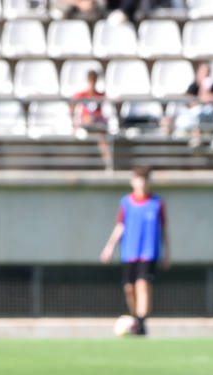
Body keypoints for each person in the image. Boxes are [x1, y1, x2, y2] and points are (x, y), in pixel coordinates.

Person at [99, 166, 168, 337]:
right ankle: (135, 318)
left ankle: (141, 322)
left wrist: (167, 252)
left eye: (145, 180)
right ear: (133, 182)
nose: (141, 183)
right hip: (130, 251)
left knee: (143, 285)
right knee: (129, 288)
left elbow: (164, 229)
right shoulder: (126, 203)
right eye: (138, 179)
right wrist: (109, 247)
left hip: (149, 252)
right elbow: (120, 227)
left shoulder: (157, 203)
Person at [71, 68, 112, 169]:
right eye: (91, 81)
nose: (92, 83)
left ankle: (108, 163)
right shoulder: (83, 95)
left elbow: (111, 99)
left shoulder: (100, 94)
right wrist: (74, 121)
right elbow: (71, 103)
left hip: (98, 124)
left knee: (102, 136)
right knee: (89, 119)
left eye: (94, 80)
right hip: (86, 122)